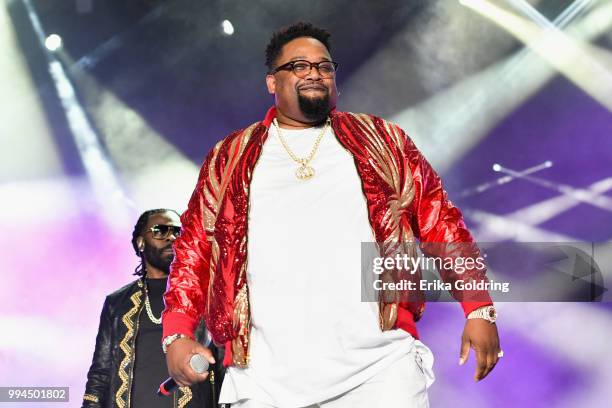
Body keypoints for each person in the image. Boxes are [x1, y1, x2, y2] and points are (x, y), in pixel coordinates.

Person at [162, 22, 501, 408]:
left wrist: (479, 307)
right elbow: (194, 250)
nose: (315, 73)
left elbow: (441, 222)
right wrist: (176, 333)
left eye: (325, 67)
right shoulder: (230, 157)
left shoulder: (382, 141)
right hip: (266, 380)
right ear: (272, 82)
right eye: (300, 66)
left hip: (381, 369)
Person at [82, 209, 224, 408]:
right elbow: (100, 374)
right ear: (141, 242)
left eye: (178, 232)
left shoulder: (206, 296)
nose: (172, 238)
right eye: (160, 230)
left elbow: (223, 367)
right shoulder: (117, 303)